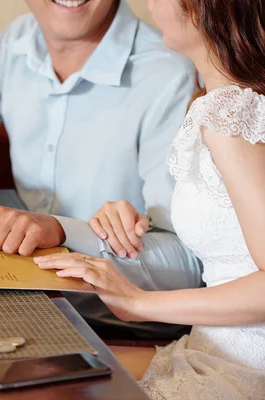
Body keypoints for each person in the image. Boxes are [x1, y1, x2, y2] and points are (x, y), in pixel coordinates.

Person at [0, 0, 202, 337]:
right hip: (22, 303)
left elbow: (191, 264)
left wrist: (63, 232)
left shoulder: (168, 74)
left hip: (120, 330)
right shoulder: (16, 43)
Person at [33, 0, 265, 398]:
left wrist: (139, 303)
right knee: (48, 368)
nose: (149, 3)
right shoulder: (225, 104)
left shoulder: (229, 115)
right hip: (211, 346)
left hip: (244, 367)